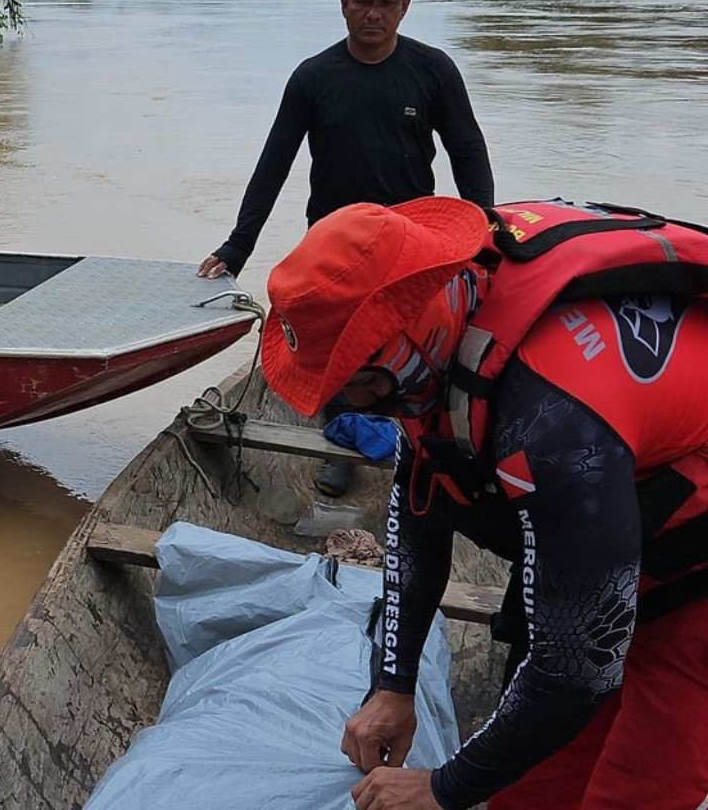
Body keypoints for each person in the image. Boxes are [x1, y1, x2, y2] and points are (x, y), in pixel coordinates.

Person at [259, 197, 708, 810]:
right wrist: (393, 683)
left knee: (638, 781)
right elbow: (419, 504)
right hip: (610, 508)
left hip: (691, 560)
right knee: (529, 787)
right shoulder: (441, 331)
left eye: (357, 384)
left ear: (409, 339)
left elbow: (579, 670)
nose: (352, 409)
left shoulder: (549, 422)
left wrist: (443, 789)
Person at [196, 0, 495, 497]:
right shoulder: (314, 77)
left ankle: (420, 445)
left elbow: (468, 152)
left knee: (418, 344)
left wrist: (486, 230)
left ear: (405, 7)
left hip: (411, 239)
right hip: (334, 247)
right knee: (335, 351)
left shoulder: (433, 70)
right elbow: (274, 164)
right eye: (364, 1)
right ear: (343, 5)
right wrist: (238, 247)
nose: (374, 13)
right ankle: (341, 448)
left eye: (387, 2)